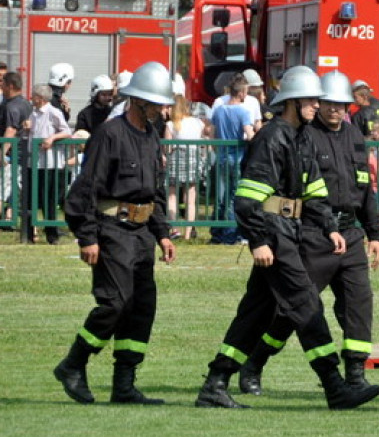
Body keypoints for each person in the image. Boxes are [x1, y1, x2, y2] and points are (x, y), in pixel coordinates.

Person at [195, 66, 375, 411]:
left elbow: (314, 191)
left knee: (255, 314)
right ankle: (335, 387)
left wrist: (330, 227)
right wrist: (259, 240)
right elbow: (247, 198)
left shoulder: (301, 136)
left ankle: (216, 382)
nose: (316, 105)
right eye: (311, 100)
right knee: (307, 305)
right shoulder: (273, 136)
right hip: (275, 234)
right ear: (293, 101)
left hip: (290, 232)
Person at [53, 62, 177, 405]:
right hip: (111, 230)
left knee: (141, 307)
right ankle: (73, 364)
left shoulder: (151, 135)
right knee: (115, 303)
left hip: (141, 234)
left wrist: (163, 234)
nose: (162, 109)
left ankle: (124, 385)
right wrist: (87, 236)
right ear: (138, 101)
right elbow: (85, 188)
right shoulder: (110, 134)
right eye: (156, 103)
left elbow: (154, 189)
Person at [210, 77, 254, 244]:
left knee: (220, 196)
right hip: (237, 157)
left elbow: (212, 135)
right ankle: (230, 233)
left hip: (221, 157)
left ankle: (216, 232)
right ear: (241, 93)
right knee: (234, 196)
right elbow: (249, 133)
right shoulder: (243, 112)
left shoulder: (219, 110)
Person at [27, 84, 72, 244]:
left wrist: (52, 138)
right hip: (35, 163)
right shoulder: (32, 113)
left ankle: (52, 235)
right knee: (32, 199)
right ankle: (29, 234)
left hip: (52, 164)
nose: (31, 98)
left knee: (50, 201)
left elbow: (67, 131)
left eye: (33, 96)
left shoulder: (54, 112)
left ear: (39, 98)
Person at [165, 93, 208, 241]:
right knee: (190, 198)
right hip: (193, 158)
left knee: (172, 196)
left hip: (176, 158)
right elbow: (203, 141)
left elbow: (167, 148)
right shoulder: (197, 123)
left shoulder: (170, 125)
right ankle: (189, 233)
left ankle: (174, 229)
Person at [1, 72, 32, 224]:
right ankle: (9, 217)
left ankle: (7, 219)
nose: (1, 87)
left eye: (2, 84)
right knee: (14, 188)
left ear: (10, 86)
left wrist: (2, 152)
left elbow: (11, 130)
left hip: (12, 154)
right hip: (23, 154)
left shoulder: (11, 106)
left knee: (2, 188)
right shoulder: (26, 103)